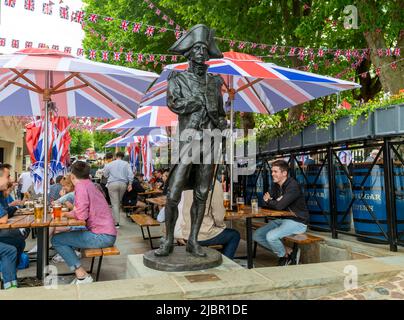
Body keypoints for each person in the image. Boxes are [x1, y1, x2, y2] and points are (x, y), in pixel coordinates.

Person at [155, 24, 227, 257]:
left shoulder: (215, 82)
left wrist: (223, 124)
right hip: (188, 142)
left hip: (210, 142)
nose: (201, 52)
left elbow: (221, 115)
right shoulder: (178, 78)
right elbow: (173, 102)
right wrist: (196, 103)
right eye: (197, 48)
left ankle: (193, 241)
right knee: (174, 193)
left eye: (204, 49)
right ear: (188, 52)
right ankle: (167, 239)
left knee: (202, 193)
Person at [51, 161, 117, 285]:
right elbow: (81, 213)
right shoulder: (90, 185)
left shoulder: (81, 187)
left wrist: (66, 216)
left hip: (102, 236)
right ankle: (80, 272)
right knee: (61, 236)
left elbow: (81, 216)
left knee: (57, 240)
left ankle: (82, 275)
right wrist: (66, 214)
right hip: (106, 233)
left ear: (72, 176)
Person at [253, 160, 309, 266]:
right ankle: (288, 252)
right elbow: (263, 202)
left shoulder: (293, 186)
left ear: (284, 173)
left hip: (297, 221)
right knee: (257, 235)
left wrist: (270, 201)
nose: (272, 174)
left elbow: (278, 205)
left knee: (271, 236)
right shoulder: (276, 185)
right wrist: (273, 201)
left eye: (275, 171)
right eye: (272, 171)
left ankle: (283, 256)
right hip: (282, 220)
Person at [175, 181, 240, 259]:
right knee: (234, 235)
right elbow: (219, 216)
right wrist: (221, 226)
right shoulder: (213, 183)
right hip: (202, 235)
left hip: (186, 233)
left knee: (225, 234)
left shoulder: (189, 182)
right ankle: (224, 264)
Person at [103, 152, 134, 228]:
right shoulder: (126, 164)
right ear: (122, 157)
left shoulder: (110, 164)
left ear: (115, 156)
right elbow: (131, 174)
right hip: (123, 184)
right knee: (118, 202)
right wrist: (130, 184)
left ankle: (116, 222)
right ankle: (116, 220)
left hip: (112, 184)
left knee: (114, 203)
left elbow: (105, 175)